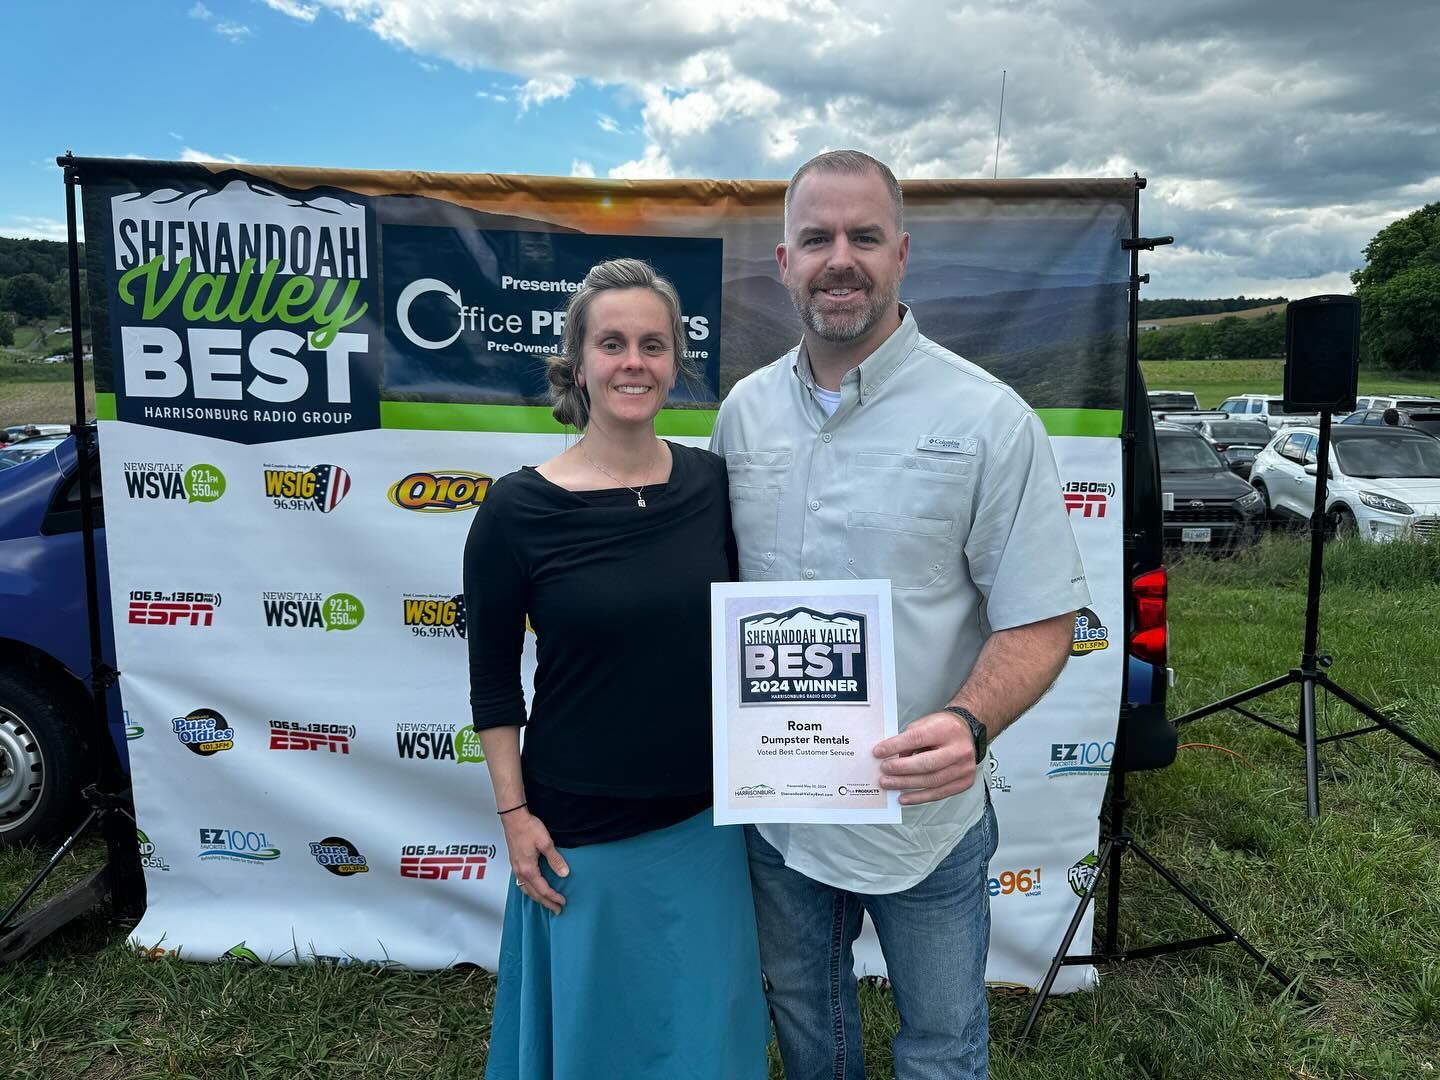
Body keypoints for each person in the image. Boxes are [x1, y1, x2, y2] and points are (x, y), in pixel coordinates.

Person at [711, 150, 1090, 1079]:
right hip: (781, 819)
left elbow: (1042, 619)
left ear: (903, 254)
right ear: (785, 262)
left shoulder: (989, 420)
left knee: (941, 1042)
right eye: (817, 238)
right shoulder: (743, 415)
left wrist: (969, 722)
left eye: (864, 237)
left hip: (926, 823)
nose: (841, 259)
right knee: (807, 1021)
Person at [464, 258, 769, 1080]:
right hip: (578, 831)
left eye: (653, 344)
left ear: (676, 363)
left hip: (706, 822)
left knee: (706, 1032)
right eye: (612, 343)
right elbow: (493, 681)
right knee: (601, 1041)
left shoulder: (712, 484)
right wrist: (514, 815)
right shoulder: (516, 509)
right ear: (578, 364)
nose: (634, 361)